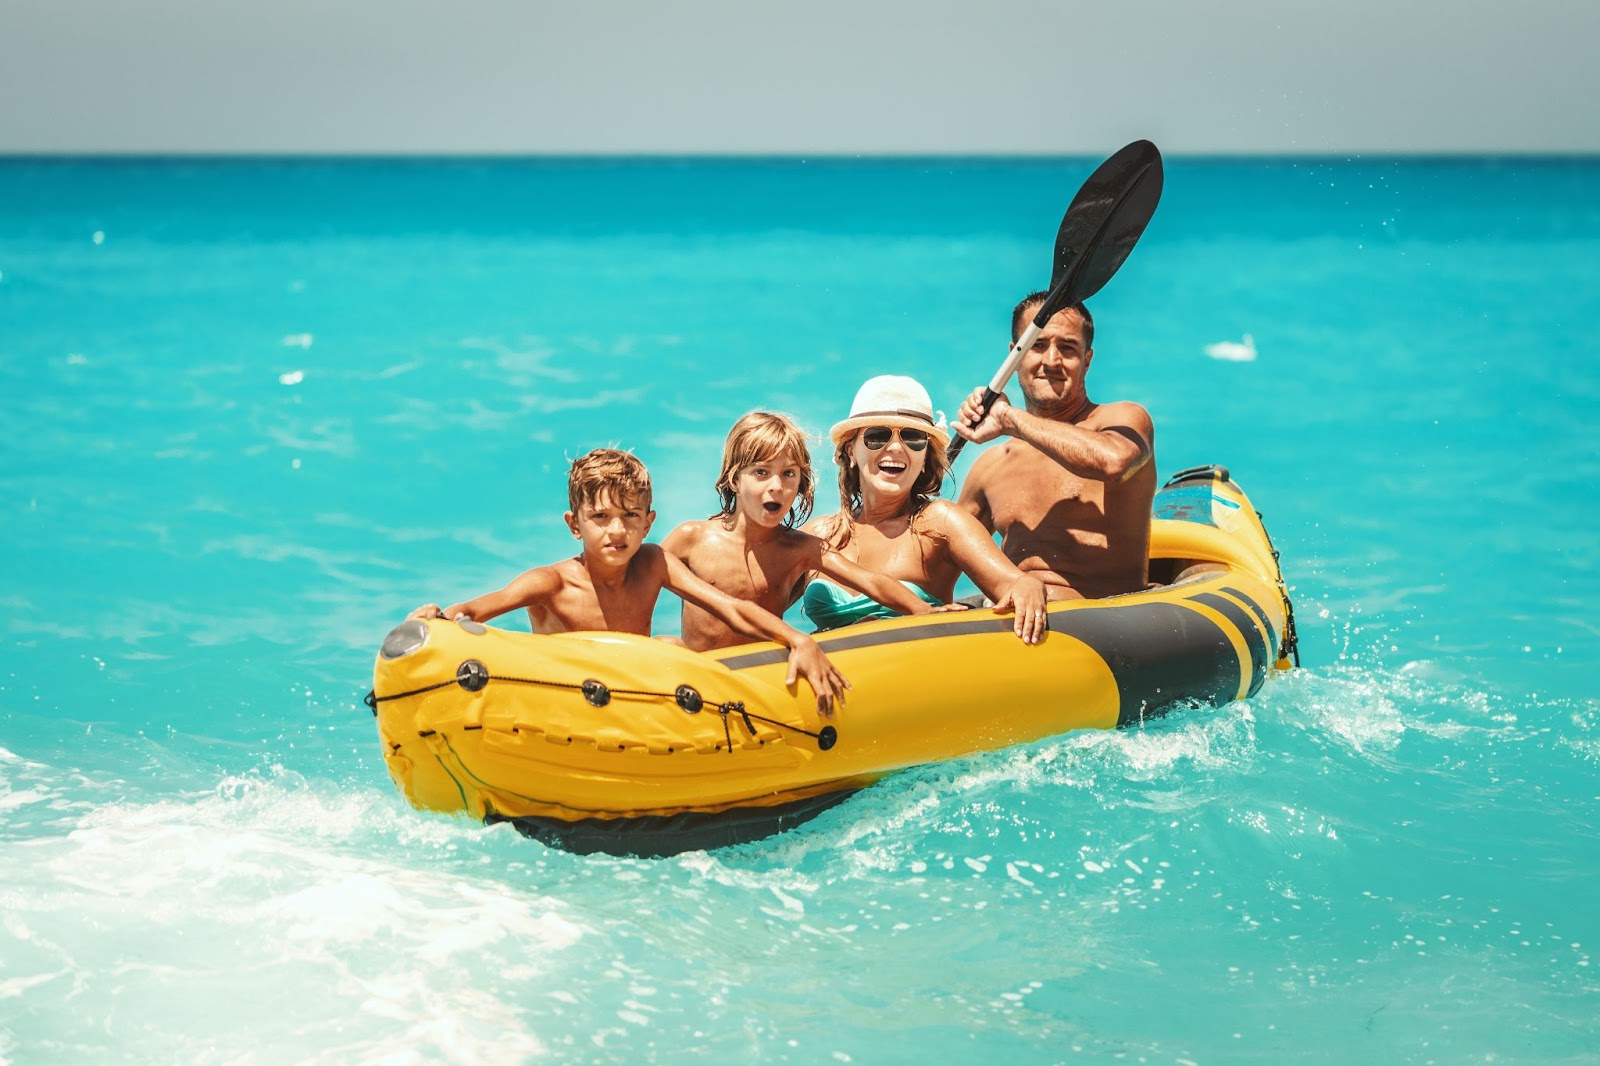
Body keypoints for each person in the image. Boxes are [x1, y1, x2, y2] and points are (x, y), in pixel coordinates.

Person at [409, 448, 848, 714]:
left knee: (675, 648)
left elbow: (729, 606)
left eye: (630, 517)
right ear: (574, 525)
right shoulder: (550, 584)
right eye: (600, 518)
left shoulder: (653, 563)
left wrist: (798, 640)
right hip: (567, 701)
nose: (616, 531)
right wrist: (439, 617)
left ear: (648, 522)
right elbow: (476, 612)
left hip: (631, 703)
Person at [663, 411, 942, 652]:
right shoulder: (692, 539)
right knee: (668, 644)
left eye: (789, 474)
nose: (776, 485)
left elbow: (872, 582)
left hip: (761, 673)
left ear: (801, 484)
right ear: (735, 479)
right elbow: (635, 575)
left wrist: (924, 611)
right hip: (700, 679)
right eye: (761, 472)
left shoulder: (799, 550)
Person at [802, 376, 1050, 643]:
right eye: (877, 436)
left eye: (913, 438)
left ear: (923, 459)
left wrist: (1028, 586)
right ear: (850, 451)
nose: (896, 447)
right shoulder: (819, 535)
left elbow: (1015, 583)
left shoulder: (939, 522)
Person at [952, 296, 1155, 600]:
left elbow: (1114, 462)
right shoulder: (991, 466)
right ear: (1014, 356)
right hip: (1009, 631)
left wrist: (1008, 418)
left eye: (1068, 348)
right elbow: (937, 554)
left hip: (1103, 629)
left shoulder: (1122, 420)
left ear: (1087, 360)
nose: (1051, 360)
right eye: (1036, 345)